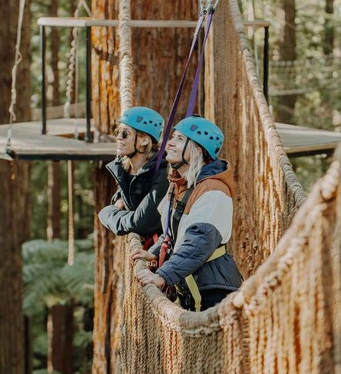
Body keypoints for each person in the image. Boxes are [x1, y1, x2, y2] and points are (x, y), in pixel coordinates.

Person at [132, 116, 243, 312]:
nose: (170, 143)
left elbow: (198, 241)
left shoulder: (213, 190)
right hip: (192, 284)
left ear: (197, 150)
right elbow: (174, 232)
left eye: (180, 139)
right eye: (172, 137)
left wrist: (162, 275)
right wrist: (154, 252)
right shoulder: (180, 184)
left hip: (213, 290)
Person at [97, 107, 168, 240]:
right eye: (117, 132)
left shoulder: (164, 173)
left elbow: (142, 223)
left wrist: (107, 213)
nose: (118, 137)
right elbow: (129, 191)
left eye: (125, 133)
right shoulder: (126, 167)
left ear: (144, 140)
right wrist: (118, 199)